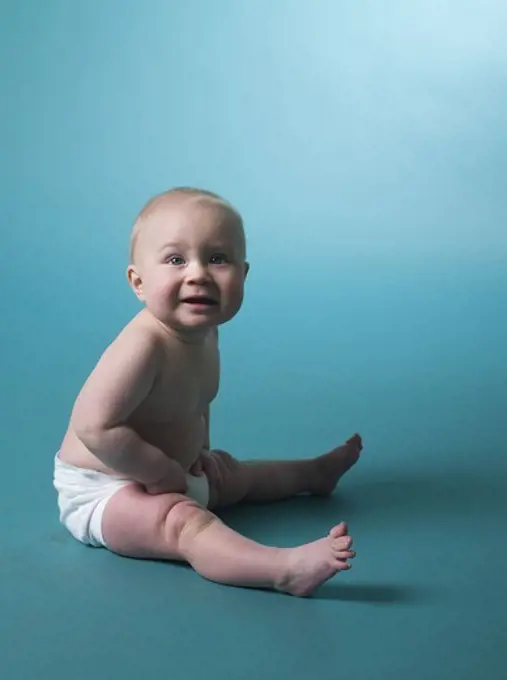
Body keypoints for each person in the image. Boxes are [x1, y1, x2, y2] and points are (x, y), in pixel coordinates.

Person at [53, 187, 363, 597]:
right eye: (176, 259)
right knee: (182, 523)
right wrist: (158, 470)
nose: (197, 273)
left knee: (237, 476)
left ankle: (313, 474)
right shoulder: (143, 346)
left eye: (217, 258)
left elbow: (196, 402)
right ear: (138, 282)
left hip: (172, 470)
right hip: (103, 489)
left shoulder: (204, 335)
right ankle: (282, 570)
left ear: (244, 274)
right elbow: (95, 428)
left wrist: (199, 452)